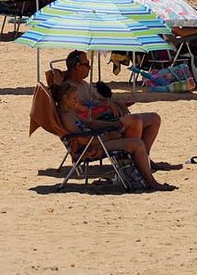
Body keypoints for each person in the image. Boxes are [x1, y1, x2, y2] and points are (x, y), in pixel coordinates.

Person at [50, 54, 168, 189]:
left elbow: (89, 124)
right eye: (74, 99)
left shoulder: (69, 109)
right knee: (136, 140)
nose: (76, 101)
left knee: (146, 123)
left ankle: (141, 170)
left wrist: (113, 125)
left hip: (97, 137)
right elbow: (82, 139)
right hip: (91, 148)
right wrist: (107, 135)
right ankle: (148, 180)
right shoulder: (66, 115)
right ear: (65, 98)